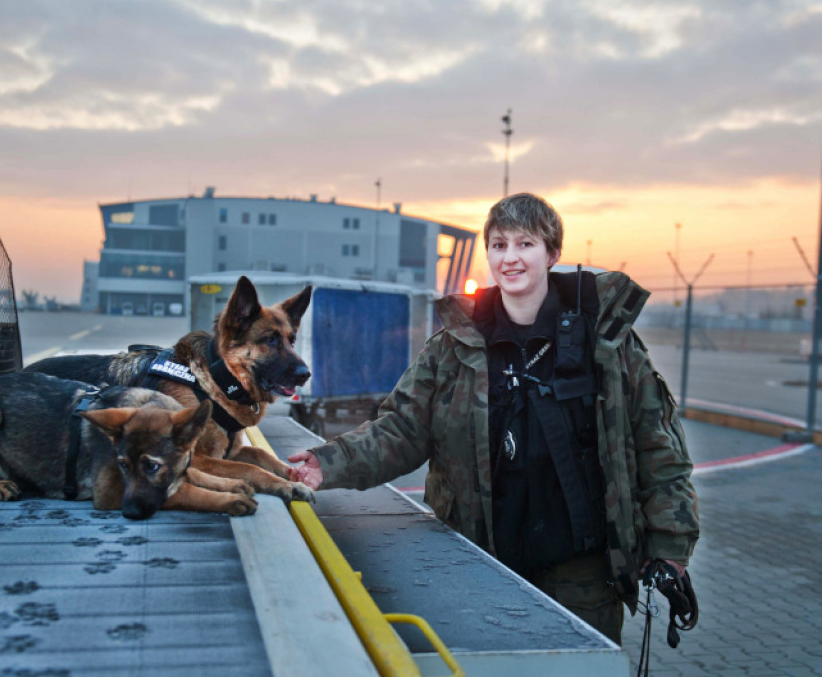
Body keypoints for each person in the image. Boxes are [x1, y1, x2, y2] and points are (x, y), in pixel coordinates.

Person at [287, 192, 699, 644]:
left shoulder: (606, 344)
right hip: (481, 561)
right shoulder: (453, 348)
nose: (511, 258)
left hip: (584, 573)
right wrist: (328, 463)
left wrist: (669, 546)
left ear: (553, 253)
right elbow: (400, 430)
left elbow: (658, 446)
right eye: (499, 245)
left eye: (526, 244)